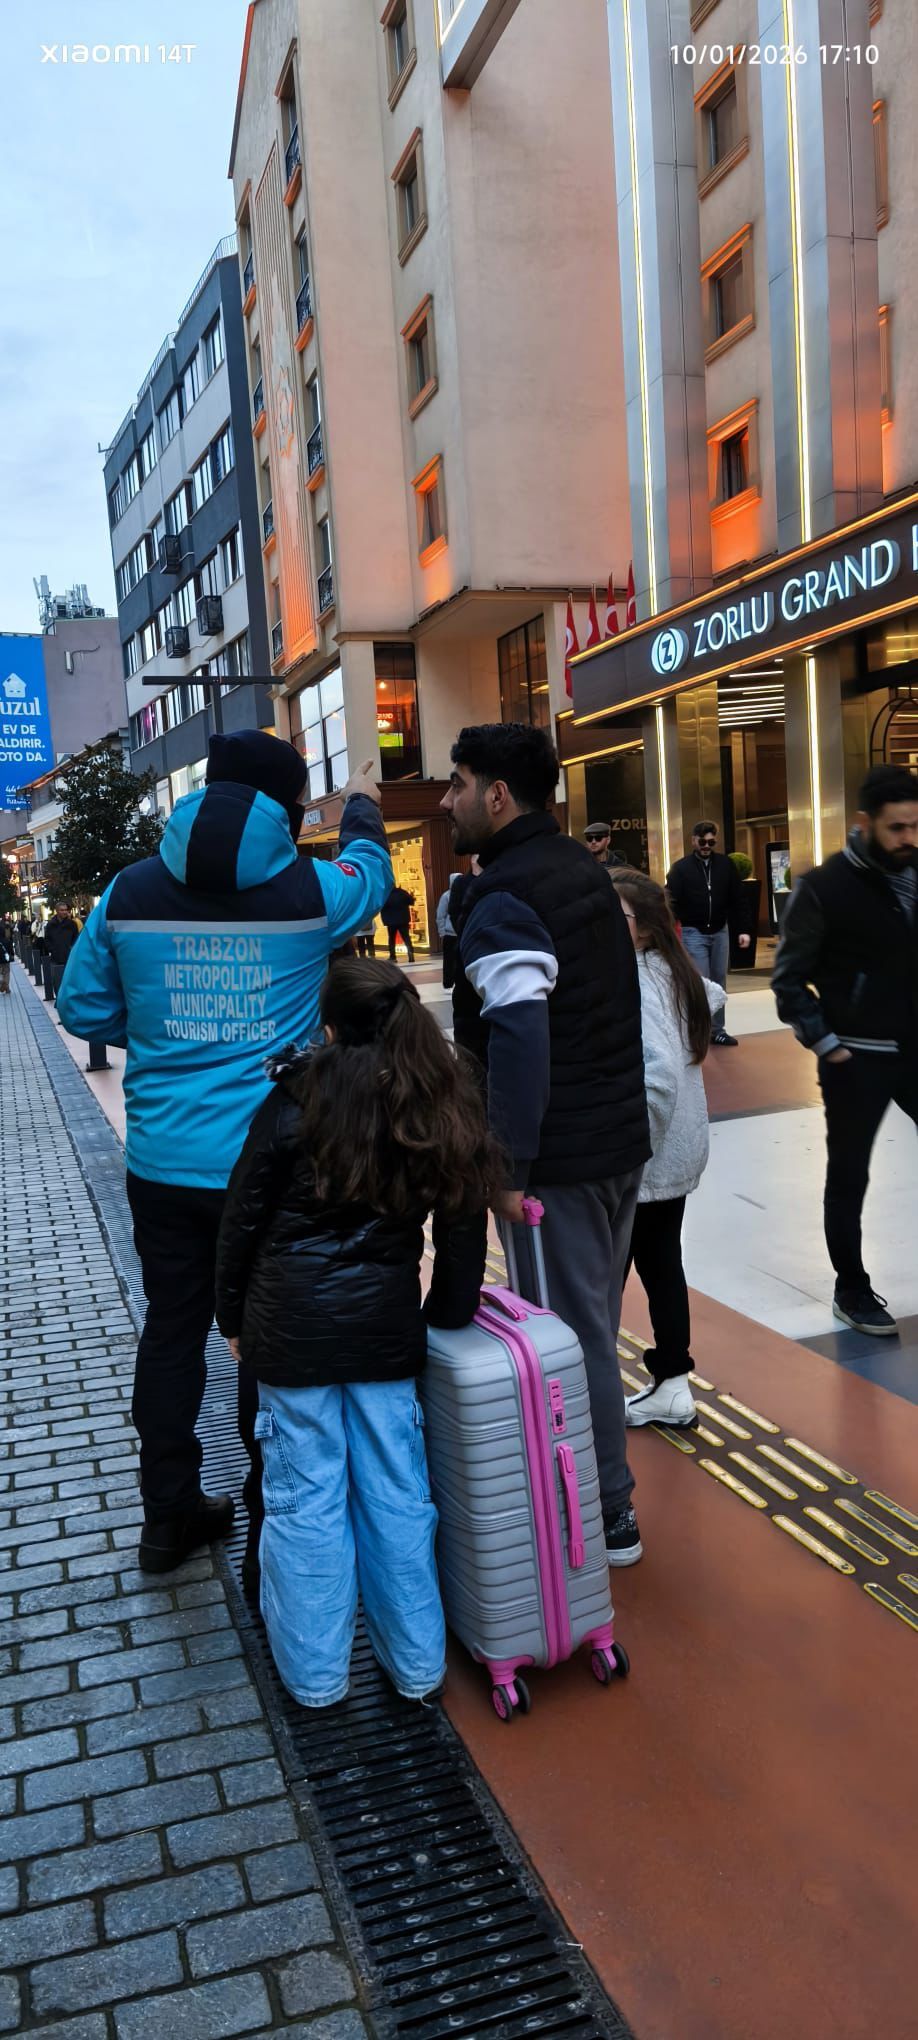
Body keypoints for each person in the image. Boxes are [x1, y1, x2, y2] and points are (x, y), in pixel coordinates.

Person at [57, 730, 392, 1582]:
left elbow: (82, 1007)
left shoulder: (128, 890)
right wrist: (361, 807)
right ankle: (268, 1513)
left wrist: (165, 1037)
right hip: (272, 1164)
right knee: (264, 1335)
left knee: (173, 1331)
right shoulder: (312, 891)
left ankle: (167, 1516)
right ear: (285, 810)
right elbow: (374, 879)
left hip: (163, 1162)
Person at [214, 958, 499, 1708]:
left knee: (303, 1500)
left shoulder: (295, 1096)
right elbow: (463, 1225)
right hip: (384, 1332)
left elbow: (242, 1218)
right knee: (398, 1494)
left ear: (331, 1027)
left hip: (289, 1334)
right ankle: (416, 1667)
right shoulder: (436, 1095)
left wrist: (232, 1317)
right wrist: (443, 1314)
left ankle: (315, 1679)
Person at [442, 724, 650, 1565]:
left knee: (569, 1336)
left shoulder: (505, 894)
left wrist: (505, 1168)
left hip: (553, 1166)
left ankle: (603, 1512)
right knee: (594, 1322)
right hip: (615, 1145)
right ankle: (599, 1496)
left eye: (458, 783)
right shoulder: (581, 869)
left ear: (497, 795)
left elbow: (521, 1036)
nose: (448, 799)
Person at [773, 763, 918, 1336]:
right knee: (850, 1174)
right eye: (897, 828)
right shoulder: (824, 887)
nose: (908, 838)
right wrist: (826, 1043)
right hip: (856, 1057)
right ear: (864, 822)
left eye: (915, 826)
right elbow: (788, 979)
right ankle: (851, 1288)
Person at [611, 871, 720, 1427]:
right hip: (678, 1152)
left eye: (615, 914)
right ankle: (673, 1383)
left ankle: (591, 1394)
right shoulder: (675, 973)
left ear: (647, 929)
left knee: (607, 1276)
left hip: (649, 1159)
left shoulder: (636, 980)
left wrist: (633, 1152)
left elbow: (658, 1077)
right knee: (662, 1265)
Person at [666, 822, 752, 1046]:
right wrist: (670, 929)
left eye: (711, 842)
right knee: (702, 982)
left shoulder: (726, 865)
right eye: (702, 841)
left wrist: (743, 929)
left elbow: (738, 899)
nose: (706, 846)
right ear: (693, 840)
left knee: (719, 981)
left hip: (720, 930)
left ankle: (717, 1030)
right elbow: (670, 901)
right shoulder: (681, 868)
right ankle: (700, 1029)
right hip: (693, 931)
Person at [44, 904, 81, 1004]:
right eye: (62, 910)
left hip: (69, 957)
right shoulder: (51, 924)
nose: (64, 912)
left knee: (70, 981)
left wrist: (71, 949)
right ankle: (60, 1002)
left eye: (66, 910)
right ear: (57, 911)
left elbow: (76, 939)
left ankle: (69, 1001)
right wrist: (52, 950)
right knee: (56, 981)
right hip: (55, 958)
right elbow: (47, 939)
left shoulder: (72, 924)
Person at [436, 871, 463, 989]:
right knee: (449, 960)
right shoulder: (446, 896)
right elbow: (440, 915)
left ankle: (461, 982)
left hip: (462, 933)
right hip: (450, 934)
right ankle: (448, 983)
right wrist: (442, 932)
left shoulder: (466, 894)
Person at [380, 883, 415, 961]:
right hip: (403, 920)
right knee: (406, 937)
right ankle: (410, 954)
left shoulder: (386, 895)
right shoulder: (403, 893)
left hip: (391, 921)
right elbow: (411, 901)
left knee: (392, 939)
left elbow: (382, 906)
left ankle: (393, 956)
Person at [0, 921, 13, 995]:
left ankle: (2, 983)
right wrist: (12, 955)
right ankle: (6, 987)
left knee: (1, 973)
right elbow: (11, 950)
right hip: (6, 959)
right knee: (7, 973)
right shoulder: (7, 940)